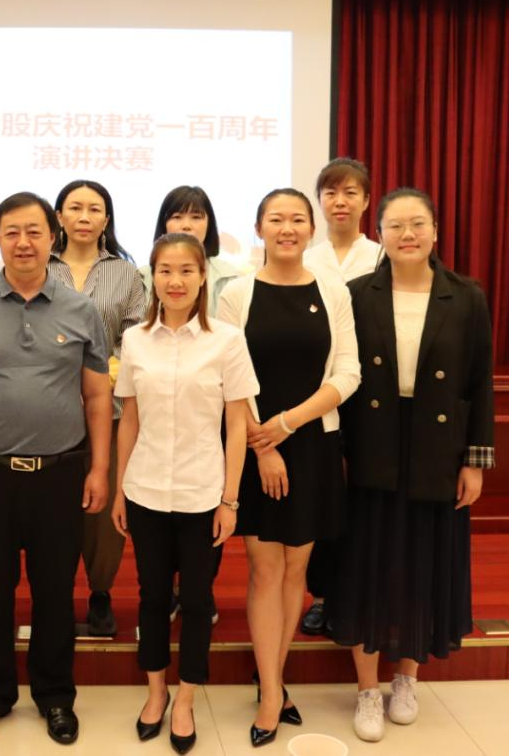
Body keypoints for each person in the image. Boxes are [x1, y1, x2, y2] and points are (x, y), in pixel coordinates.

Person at [0, 192, 112, 746]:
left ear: (52, 236)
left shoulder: (81, 310)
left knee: (54, 590)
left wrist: (100, 469)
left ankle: (55, 695)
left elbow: (97, 396)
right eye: (11, 232)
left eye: (34, 231)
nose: (24, 242)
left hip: (61, 472)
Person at [328, 188, 494, 744]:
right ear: (378, 234)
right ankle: (366, 688)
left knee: (424, 561)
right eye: (395, 225)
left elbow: (480, 383)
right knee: (366, 563)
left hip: (436, 446)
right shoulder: (356, 295)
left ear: (435, 232)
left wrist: (475, 462)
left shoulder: (465, 296)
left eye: (417, 223)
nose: (407, 234)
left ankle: (406, 679)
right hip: (370, 443)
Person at [217, 188, 360, 748]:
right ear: (259, 228)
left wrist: (288, 424)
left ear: (311, 229)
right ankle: (271, 694)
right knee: (264, 569)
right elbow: (229, 377)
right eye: (276, 219)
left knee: (296, 570)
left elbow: (347, 374)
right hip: (254, 445)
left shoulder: (332, 290)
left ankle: (272, 683)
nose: (287, 228)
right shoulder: (237, 293)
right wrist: (264, 445)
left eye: (298, 219)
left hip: (313, 444)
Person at [111, 233, 258, 754]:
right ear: (152, 276)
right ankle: (156, 692)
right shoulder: (135, 340)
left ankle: (187, 698)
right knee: (152, 598)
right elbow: (129, 419)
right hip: (146, 491)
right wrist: (119, 491)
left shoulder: (227, 340)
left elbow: (236, 425)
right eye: (165, 271)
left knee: (196, 601)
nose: (175, 281)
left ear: (202, 277)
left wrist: (230, 499)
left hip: (203, 495)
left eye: (186, 271)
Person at [49, 179, 146, 637]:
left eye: (94, 209)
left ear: (107, 218)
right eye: (75, 208)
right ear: (59, 216)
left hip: (110, 409)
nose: (84, 217)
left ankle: (100, 592)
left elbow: (136, 335)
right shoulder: (39, 267)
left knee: (103, 507)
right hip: (49, 409)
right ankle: (56, 592)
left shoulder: (126, 274)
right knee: (56, 506)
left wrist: (104, 373)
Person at [299, 157, 380, 637]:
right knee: (323, 501)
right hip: (317, 396)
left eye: (351, 192)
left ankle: (363, 593)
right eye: (331, 193)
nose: (340, 201)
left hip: (372, 398)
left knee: (364, 502)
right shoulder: (305, 258)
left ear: (367, 201)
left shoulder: (383, 256)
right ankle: (323, 596)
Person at [140, 185, 249, 318]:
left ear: (209, 224)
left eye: (196, 217)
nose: (186, 226)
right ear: (164, 224)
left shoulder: (230, 277)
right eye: (177, 217)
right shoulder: (141, 277)